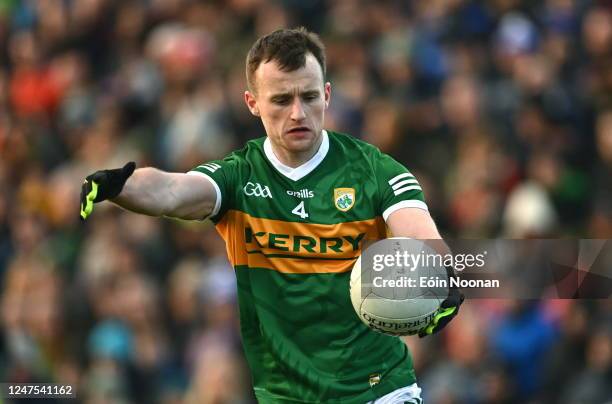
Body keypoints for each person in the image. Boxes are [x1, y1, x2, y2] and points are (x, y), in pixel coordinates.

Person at [80, 27, 463, 404]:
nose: (298, 113)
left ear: (327, 95)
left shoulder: (377, 171)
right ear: (253, 103)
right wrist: (119, 186)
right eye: (281, 100)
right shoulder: (239, 176)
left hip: (381, 391)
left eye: (309, 97)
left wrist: (440, 278)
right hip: (283, 396)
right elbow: (171, 190)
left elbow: (421, 234)